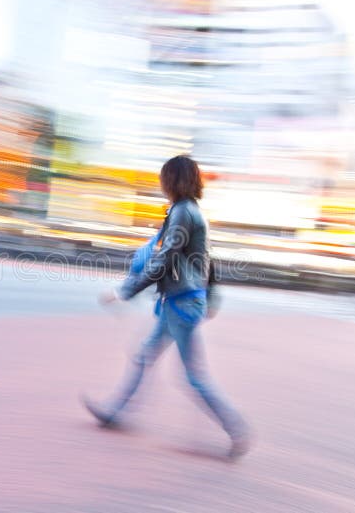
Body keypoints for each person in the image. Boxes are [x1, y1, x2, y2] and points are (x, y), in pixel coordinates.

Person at [84, 155, 249, 459]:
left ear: (172, 180)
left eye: (163, 177)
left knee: (193, 377)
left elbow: (166, 258)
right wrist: (210, 297)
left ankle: (236, 428)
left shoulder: (184, 213)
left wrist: (125, 291)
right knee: (144, 354)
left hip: (181, 304)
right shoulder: (191, 211)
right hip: (181, 300)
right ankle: (114, 410)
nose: (160, 183)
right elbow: (206, 260)